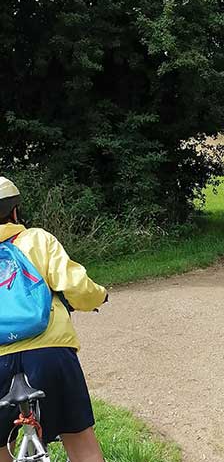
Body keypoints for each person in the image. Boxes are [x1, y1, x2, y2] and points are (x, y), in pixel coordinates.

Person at [0, 177, 108, 462]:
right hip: (49, 352)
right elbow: (77, 286)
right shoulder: (37, 239)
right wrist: (99, 297)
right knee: (81, 443)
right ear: (14, 211)